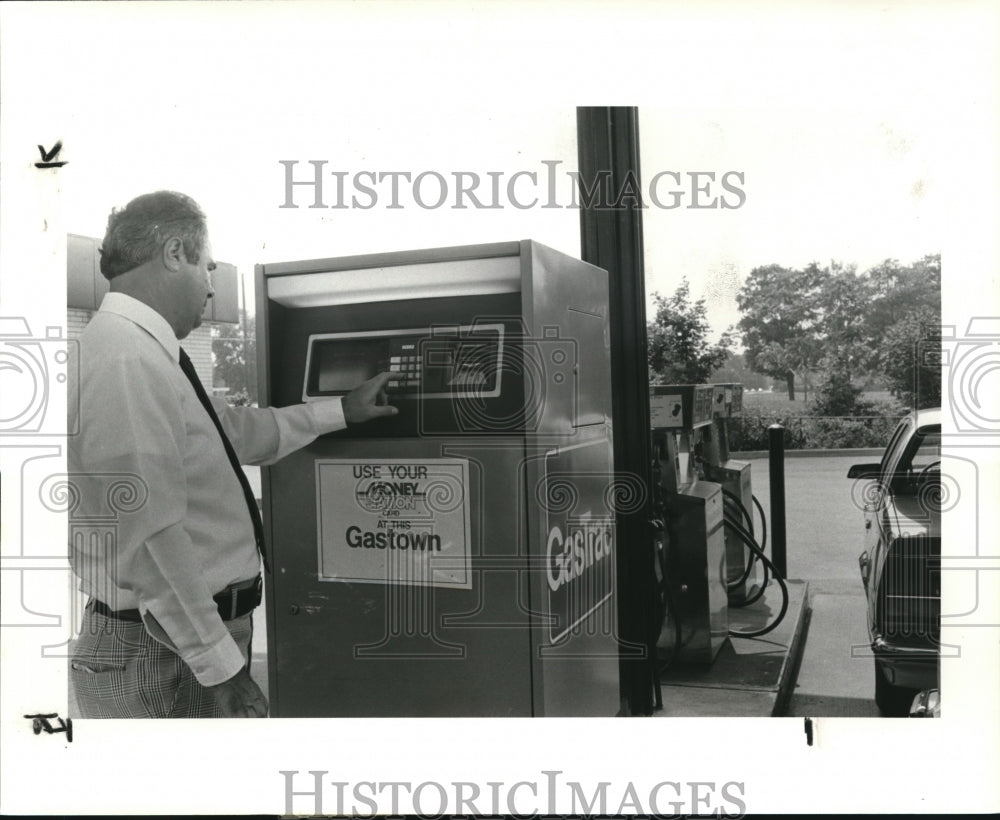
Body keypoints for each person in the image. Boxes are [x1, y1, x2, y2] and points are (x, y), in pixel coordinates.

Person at [67, 190, 396, 718]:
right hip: (162, 654)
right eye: (208, 266)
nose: (211, 286)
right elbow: (150, 537)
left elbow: (235, 434)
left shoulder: (146, 352)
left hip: (174, 643)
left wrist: (342, 411)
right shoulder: (124, 359)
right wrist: (221, 669)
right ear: (175, 253)